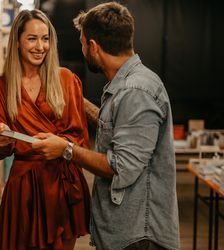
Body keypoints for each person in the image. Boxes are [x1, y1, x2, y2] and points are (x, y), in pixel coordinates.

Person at [32, 2, 180, 250]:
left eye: (82, 43)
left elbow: (120, 167)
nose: (82, 49)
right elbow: (121, 127)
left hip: (138, 238)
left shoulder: (135, 91)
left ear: (93, 46)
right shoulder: (128, 86)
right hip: (127, 232)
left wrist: (66, 149)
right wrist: (74, 99)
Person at [0, 9, 91, 250]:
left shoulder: (66, 79)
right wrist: (2, 140)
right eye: (32, 38)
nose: (40, 46)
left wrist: (59, 145)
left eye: (45, 38)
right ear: (18, 42)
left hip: (61, 183)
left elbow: (79, 136)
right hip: (24, 189)